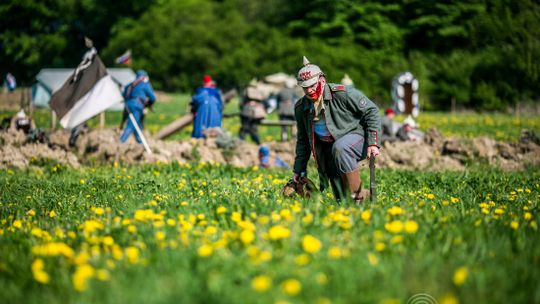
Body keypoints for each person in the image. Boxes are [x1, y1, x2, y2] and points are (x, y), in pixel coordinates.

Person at [292, 56, 381, 203]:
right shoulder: (301, 107)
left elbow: (371, 111)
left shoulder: (342, 93)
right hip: (329, 148)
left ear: (322, 80)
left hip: (357, 137)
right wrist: (298, 169)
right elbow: (303, 140)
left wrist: (373, 142)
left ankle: (358, 198)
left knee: (340, 147)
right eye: (305, 87)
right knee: (342, 200)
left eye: (312, 85)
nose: (309, 90)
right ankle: (362, 198)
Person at [120, 70, 156, 144]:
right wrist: (148, 104)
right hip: (137, 106)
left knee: (137, 124)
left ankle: (139, 142)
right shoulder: (145, 84)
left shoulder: (130, 84)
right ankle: (121, 141)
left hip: (128, 105)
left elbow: (124, 94)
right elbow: (153, 98)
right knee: (131, 125)